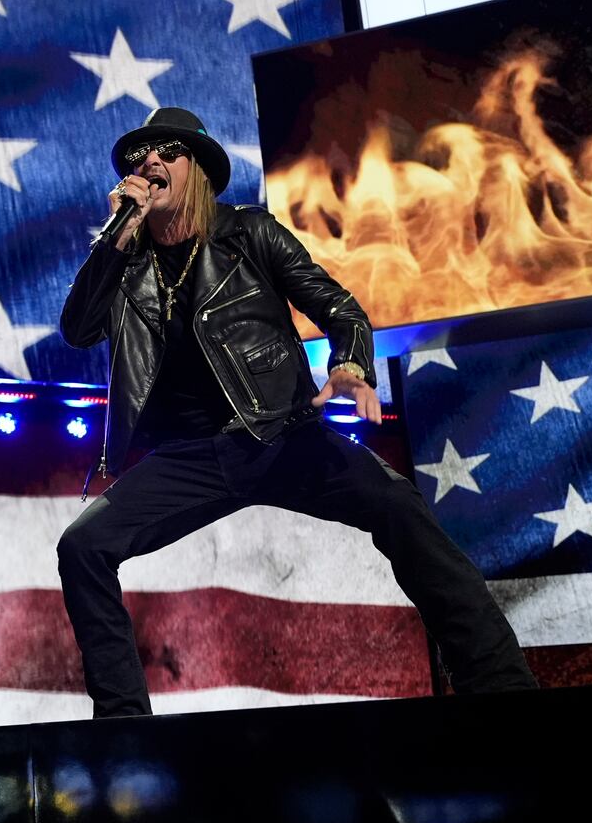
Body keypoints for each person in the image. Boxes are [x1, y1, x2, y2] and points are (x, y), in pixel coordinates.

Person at [57, 107, 537, 717]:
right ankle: (124, 725)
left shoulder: (250, 232)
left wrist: (352, 366)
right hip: (190, 457)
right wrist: (117, 237)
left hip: (282, 434)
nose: (148, 164)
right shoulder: (126, 264)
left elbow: (341, 309)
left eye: (167, 152)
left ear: (198, 170)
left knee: (397, 506)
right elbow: (78, 328)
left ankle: (502, 691)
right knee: (82, 546)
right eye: (137, 158)